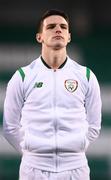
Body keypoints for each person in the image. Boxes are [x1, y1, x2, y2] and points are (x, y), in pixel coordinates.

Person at [3, 9, 102, 180]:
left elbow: (94, 126)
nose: (58, 30)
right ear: (39, 37)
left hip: (75, 169)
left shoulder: (86, 76)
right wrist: (32, 151)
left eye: (63, 27)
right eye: (51, 27)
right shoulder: (23, 76)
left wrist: (77, 145)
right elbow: (9, 127)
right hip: (34, 170)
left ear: (69, 36)